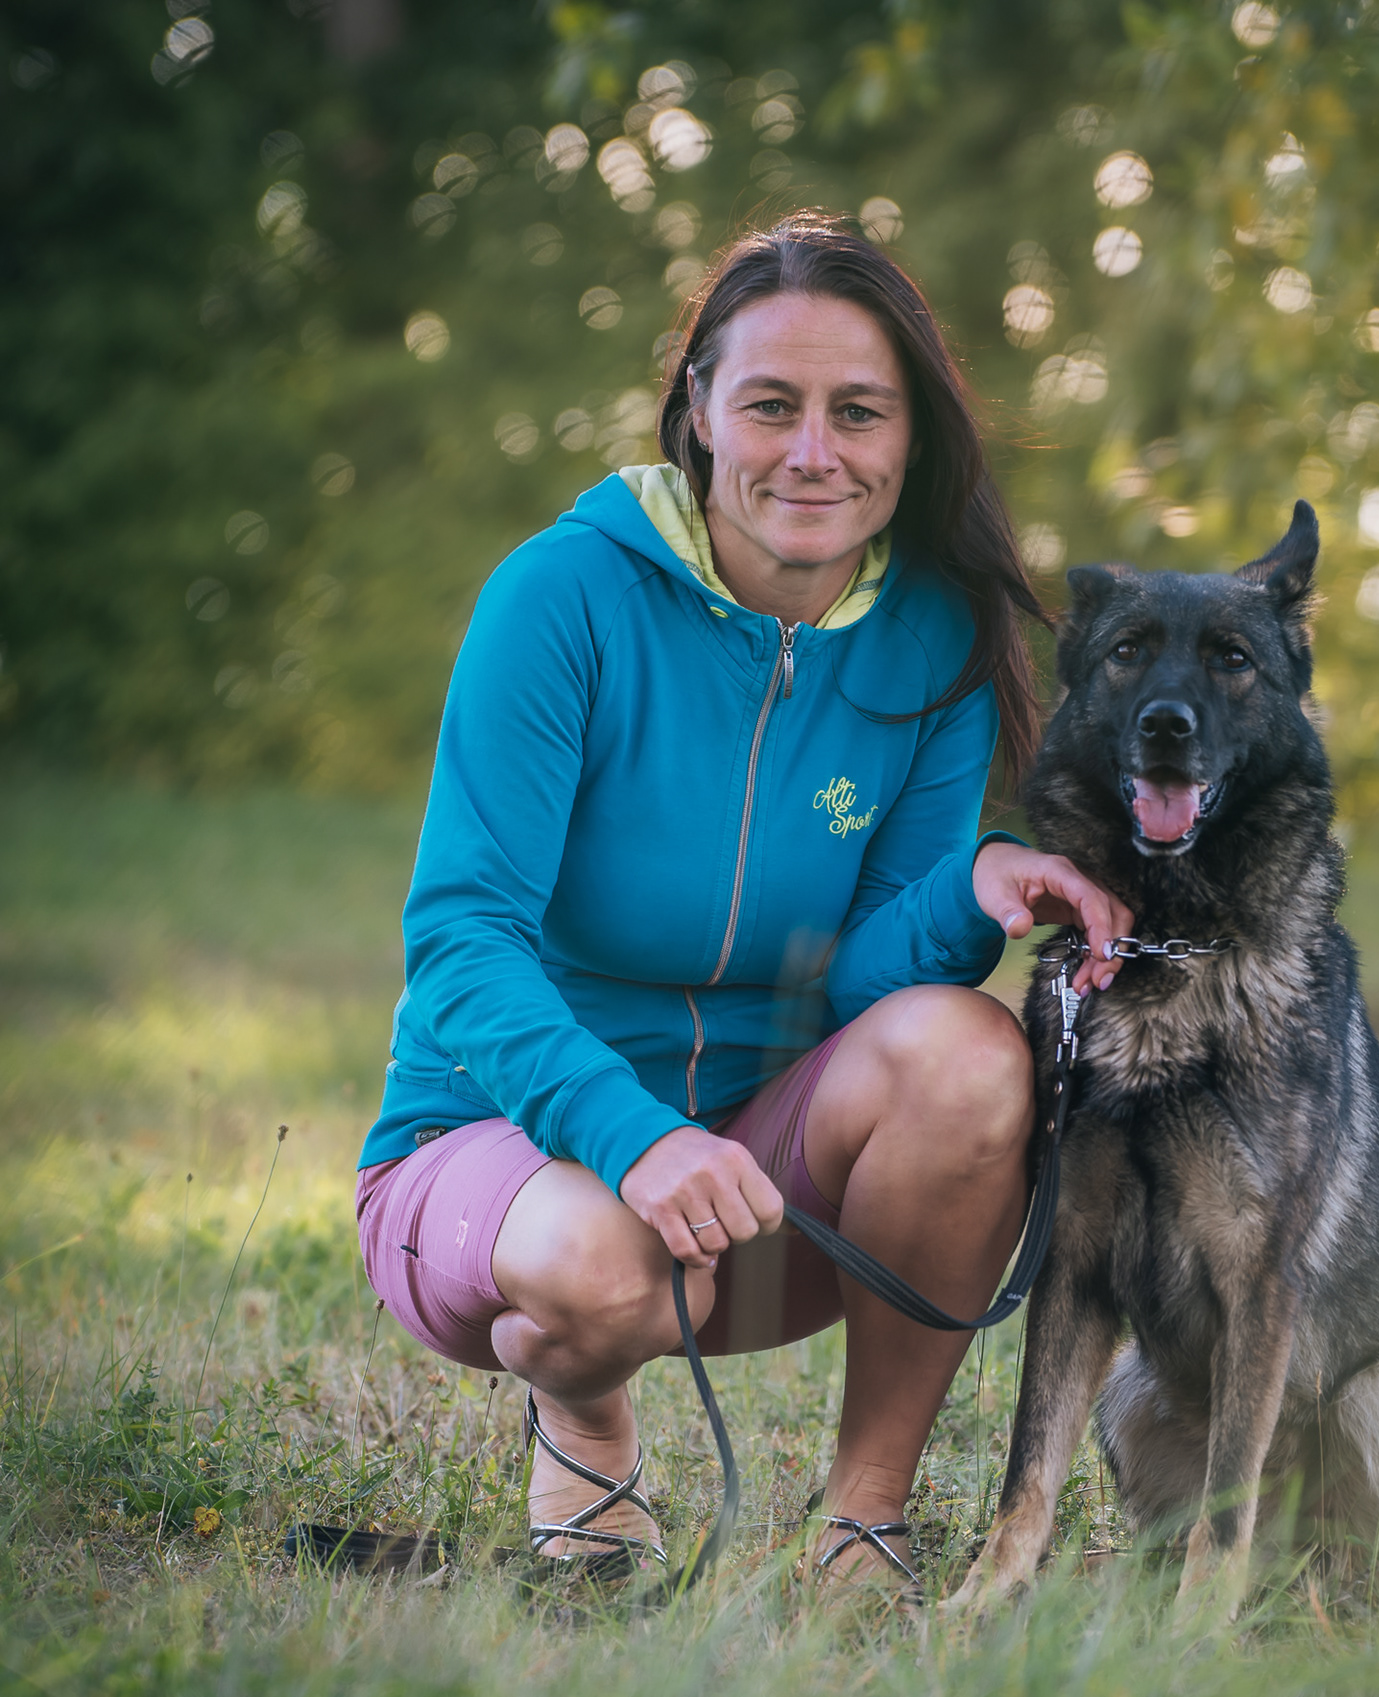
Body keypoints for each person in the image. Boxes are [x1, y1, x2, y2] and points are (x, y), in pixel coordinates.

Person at [354, 213, 1131, 1589]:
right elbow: (462, 941)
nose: (814, 451)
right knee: (619, 1273)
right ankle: (585, 1419)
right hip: (503, 1155)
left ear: (912, 440)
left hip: (759, 1193)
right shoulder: (561, 597)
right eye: (772, 405)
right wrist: (632, 1138)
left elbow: (862, 988)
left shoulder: (938, 636)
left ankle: (864, 1524)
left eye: (858, 412)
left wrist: (969, 891)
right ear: (700, 413)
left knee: (968, 1051)